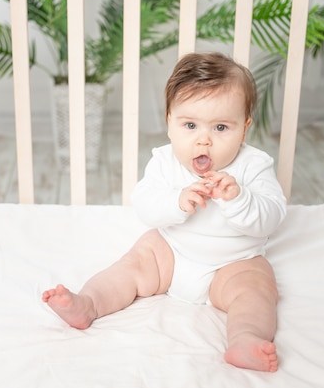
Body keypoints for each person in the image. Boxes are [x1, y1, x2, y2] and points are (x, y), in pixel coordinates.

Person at [42, 52, 287, 373]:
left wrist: (239, 199)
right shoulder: (164, 161)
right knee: (132, 263)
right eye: (190, 125)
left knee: (257, 289)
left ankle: (245, 338)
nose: (204, 140)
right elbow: (143, 203)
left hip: (234, 263)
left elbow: (272, 216)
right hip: (171, 252)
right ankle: (88, 304)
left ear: (244, 129)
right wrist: (176, 202)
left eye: (221, 127)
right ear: (170, 122)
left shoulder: (254, 166)